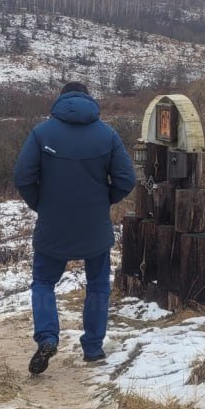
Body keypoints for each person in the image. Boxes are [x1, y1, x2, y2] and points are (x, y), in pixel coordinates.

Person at [13, 81, 136, 374]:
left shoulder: (42, 133)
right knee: (97, 286)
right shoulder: (107, 134)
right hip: (94, 224)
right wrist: (104, 201)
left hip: (52, 224)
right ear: (89, 99)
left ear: (60, 100)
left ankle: (47, 337)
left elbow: (23, 177)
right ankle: (93, 348)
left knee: (43, 283)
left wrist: (41, 205)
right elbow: (126, 179)